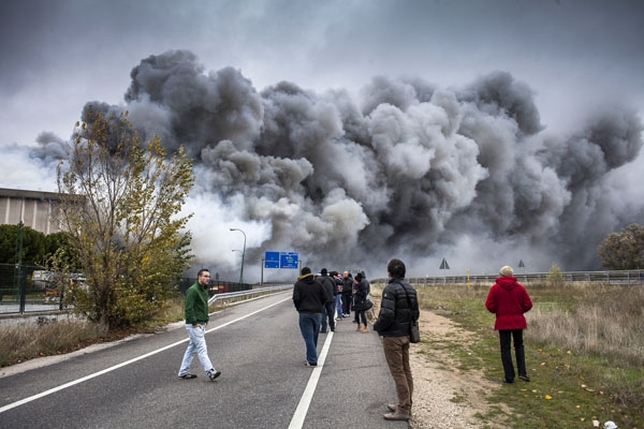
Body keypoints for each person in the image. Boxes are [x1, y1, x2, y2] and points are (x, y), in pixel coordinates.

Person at [374, 258, 419, 422]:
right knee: (406, 370)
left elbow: (387, 314)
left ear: (390, 272)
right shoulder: (410, 289)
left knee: (398, 372)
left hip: (393, 337)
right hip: (406, 335)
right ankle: (405, 403)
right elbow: (416, 314)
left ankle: (403, 409)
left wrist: (377, 326)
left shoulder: (390, 289)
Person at [485, 265, 533, 384]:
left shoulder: (495, 289)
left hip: (503, 322)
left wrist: (499, 311)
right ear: (512, 275)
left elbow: (489, 305)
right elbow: (528, 304)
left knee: (505, 349)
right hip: (518, 321)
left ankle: (509, 376)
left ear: (501, 275)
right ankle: (522, 373)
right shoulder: (520, 288)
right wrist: (519, 311)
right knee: (519, 346)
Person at [178, 268, 221, 381]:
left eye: (208, 276)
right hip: (194, 325)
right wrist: (194, 323)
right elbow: (189, 308)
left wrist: (206, 320)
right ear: (199, 277)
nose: (208, 278)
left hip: (201, 324)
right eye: (205, 276)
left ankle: (183, 372)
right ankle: (210, 371)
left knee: (192, 349)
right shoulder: (193, 290)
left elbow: (204, 306)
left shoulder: (204, 289)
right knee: (202, 349)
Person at [293, 266, 328, 366]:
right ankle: (310, 357)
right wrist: (319, 306)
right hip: (317, 314)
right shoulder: (318, 284)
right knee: (314, 337)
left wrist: (299, 308)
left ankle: (312, 360)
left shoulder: (298, 285)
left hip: (304, 313)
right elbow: (325, 297)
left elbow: (296, 299)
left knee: (308, 337)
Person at [318, 268, 337, 333]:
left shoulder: (318, 279)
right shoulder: (331, 279)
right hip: (330, 299)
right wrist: (334, 295)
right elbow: (335, 289)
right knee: (331, 313)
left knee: (323, 314)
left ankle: (323, 328)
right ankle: (332, 327)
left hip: (322, 300)